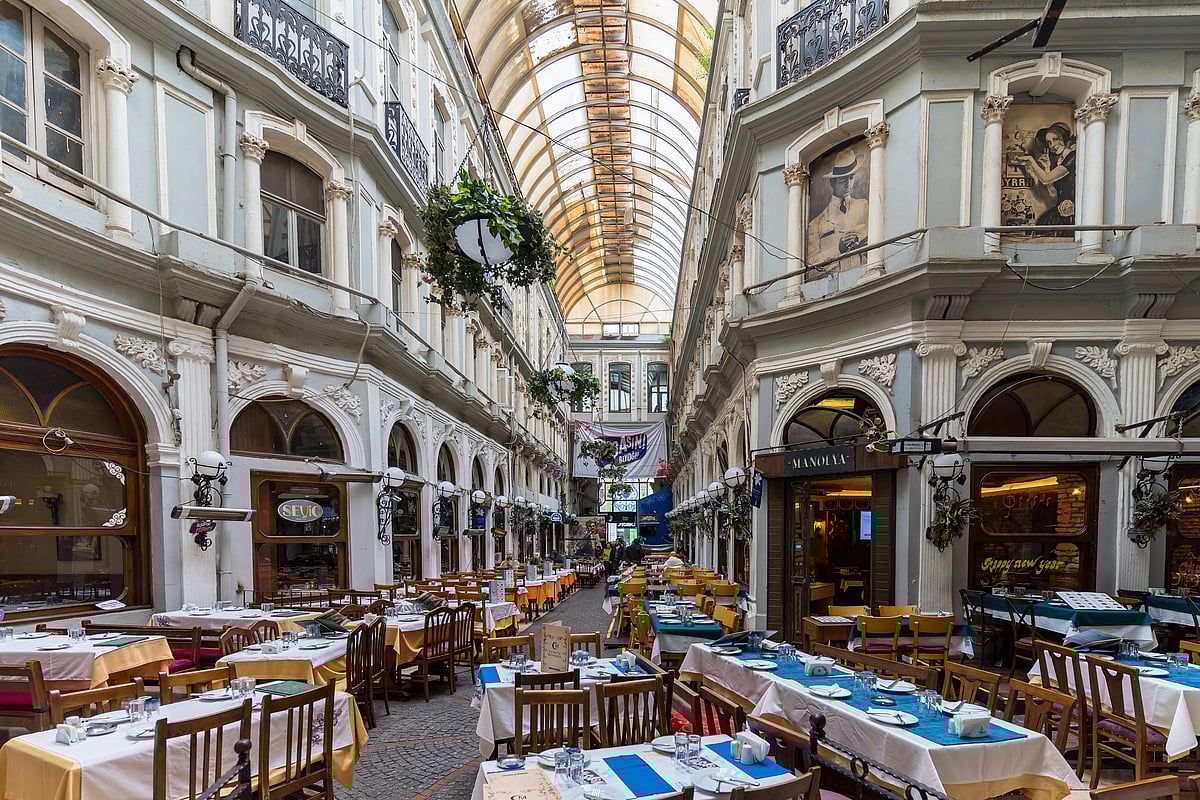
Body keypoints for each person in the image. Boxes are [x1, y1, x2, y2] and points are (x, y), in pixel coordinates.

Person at [807, 149, 869, 263]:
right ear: (832, 182)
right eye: (842, 180)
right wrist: (838, 249)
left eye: (851, 178)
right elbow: (811, 265)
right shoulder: (816, 224)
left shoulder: (865, 206)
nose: (848, 185)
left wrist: (860, 239)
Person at [1014, 122, 1076, 226]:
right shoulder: (1060, 162)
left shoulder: (1072, 156)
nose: (1052, 145)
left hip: (1071, 214)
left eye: (1055, 139)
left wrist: (1030, 159)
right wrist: (1047, 167)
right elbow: (1053, 193)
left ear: (1064, 137)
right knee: (1041, 224)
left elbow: (1046, 179)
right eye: (1049, 142)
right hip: (1060, 211)